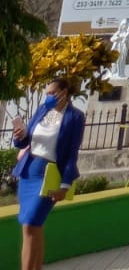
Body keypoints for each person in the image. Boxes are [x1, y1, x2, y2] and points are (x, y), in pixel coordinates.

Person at [11, 75, 86, 270]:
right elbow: (26, 142)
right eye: (47, 94)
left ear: (64, 92)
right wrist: (20, 136)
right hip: (28, 171)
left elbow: (71, 154)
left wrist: (65, 185)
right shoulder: (43, 110)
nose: (49, 97)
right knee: (32, 227)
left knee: (30, 224)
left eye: (52, 93)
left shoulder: (74, 117)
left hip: (47, 175)